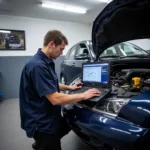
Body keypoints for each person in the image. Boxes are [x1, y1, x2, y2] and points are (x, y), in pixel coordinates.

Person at [19, 30, 101, 150]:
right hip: (42, 123)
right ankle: (42, 143)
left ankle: (42, 144)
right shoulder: (38, 66)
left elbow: (50, 83)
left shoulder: (44, 62)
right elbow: (55, 99)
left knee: (67, 124)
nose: (61, 53)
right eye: (61, 49)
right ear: (51, 44)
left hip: (49, 115)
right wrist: (83, 95)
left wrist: (70, 87)